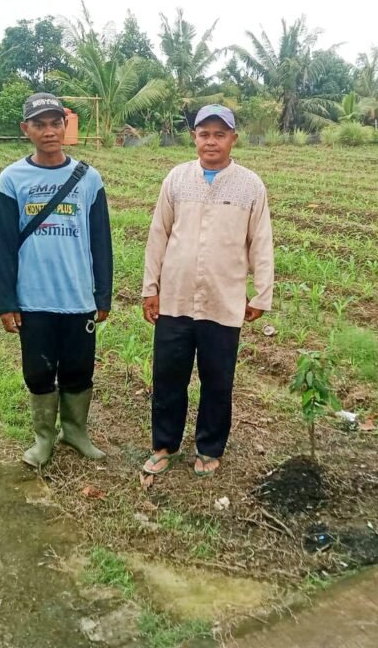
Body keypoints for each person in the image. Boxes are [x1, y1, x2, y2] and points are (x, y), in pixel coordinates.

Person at [141, 104, 274, 478]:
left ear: (233, 138)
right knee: (168, 377)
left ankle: (209, 446)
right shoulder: (177, 179)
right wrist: (150, 288)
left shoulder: (249, 185)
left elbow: (261, 242)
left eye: (219, 134)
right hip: (175, 298)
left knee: (218, 380)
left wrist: (262, 294)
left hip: (223, 299)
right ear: (194, 138)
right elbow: (158, 235)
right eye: (204, 134)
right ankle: (164, 445)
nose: (211, 141)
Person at [0, 93, 113, 467]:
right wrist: (6, 301)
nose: (49, 131)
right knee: (39, 370)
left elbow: (101, 241)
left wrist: (103, 294)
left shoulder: (89, 179)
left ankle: (75, 431)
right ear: (25, 129)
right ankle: (43, 438)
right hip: (33, 298)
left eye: (55, 123)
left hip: (78, 297)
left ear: (66, 126)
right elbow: (5, 245)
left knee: (80, 368)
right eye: (40, 124)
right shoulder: (12, 179)